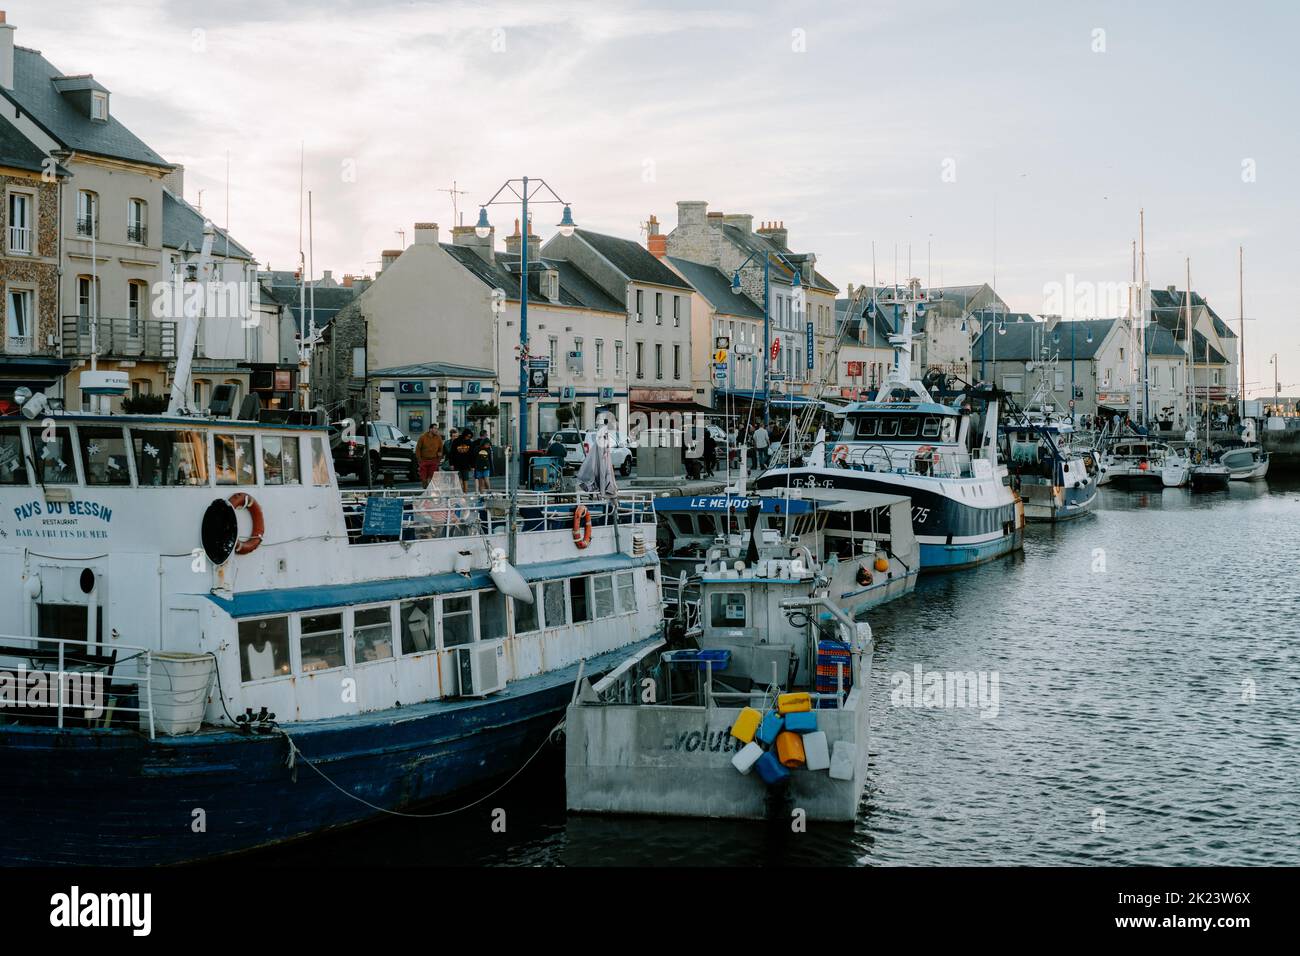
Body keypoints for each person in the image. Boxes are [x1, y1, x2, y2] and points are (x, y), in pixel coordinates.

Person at [449, 427, 475, 492]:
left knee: (465, 480)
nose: (468, 438)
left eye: (470, 437)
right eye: (467, 436)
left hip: (466, 464)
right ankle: (460, 493)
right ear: (464, 435)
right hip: (457, 463)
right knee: (458, 479)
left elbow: (472, 455)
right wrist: (451, 464)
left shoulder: (470, 442)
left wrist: (472, 465)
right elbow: (452, 453)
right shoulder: (456, 441)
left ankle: (465, 493)